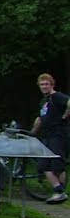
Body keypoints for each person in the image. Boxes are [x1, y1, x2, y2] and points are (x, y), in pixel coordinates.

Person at [31, 73, 70, 204]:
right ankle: (59, 191)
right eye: (42, 84)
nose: (44, 86)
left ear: (52, 85)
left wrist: (64, 116)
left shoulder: (57, 96)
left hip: (59, 135)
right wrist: (32, 133)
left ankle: (60, 192)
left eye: (46, 84)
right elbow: (40, 119)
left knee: (57, 165)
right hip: (47, 135)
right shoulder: (44, 101)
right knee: (43, 165)